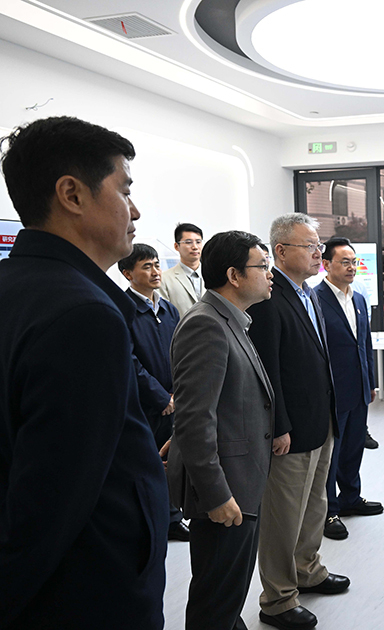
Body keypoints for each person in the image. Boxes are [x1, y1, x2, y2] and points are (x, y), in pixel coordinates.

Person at [0, 116, 167, 628]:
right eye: (124, 191)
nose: (135, 211)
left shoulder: (17, 283)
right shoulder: (84, 314)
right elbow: (52, 500)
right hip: (85, 591)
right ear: (72, 194)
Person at [167, 230, 275, 630]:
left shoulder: (230, 319)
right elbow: (195, 418)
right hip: (225, 492)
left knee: (228, 596)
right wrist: (216, 495)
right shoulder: (206, 324)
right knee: (214, 603)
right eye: (262, 266)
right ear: (234, 275)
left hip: (241, 480)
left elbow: (214, 402)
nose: (270, 274)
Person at [246, 214, 349, 630]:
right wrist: (280, 426)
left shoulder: (309, 293)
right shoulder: (268, 298)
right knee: (282, 518)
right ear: (281, 251)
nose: (318, 252)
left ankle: (307, 570)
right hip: (290, 430)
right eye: (310, 246)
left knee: (315, 505)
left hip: (320, 420)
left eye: (318, 245)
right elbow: (268, 371)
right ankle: (277, 599)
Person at [118, 243, 189, 542]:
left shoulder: (168, 309)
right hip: (145, 404)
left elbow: (183, 352)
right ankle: (155, 520)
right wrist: (160, 397)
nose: (155, 271)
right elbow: (129, 360)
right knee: (147, 465)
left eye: (157, 265)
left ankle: (173, 518)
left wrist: (177, 394)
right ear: (128, 273)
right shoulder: (123, 309)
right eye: (146, 266)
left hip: (175, 401)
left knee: (173, 461)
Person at [315, 236, 382, 541]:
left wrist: (371, 382)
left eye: (354, 262)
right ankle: (328, 510)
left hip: (359, 387)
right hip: (332, 390)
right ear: (326, 265)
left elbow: (364, 344)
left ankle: (351, 498)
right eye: (344, 262)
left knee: (354, 446)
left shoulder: (358, 298)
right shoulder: (315, 299)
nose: (351, 267)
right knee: (331, 453)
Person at [158, 222, 204, 314]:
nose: (195, 247)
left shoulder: (215, 274)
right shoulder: (164, 279)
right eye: (188, 242)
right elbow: (165, 315)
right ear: (176, 246)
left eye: (198, 242)